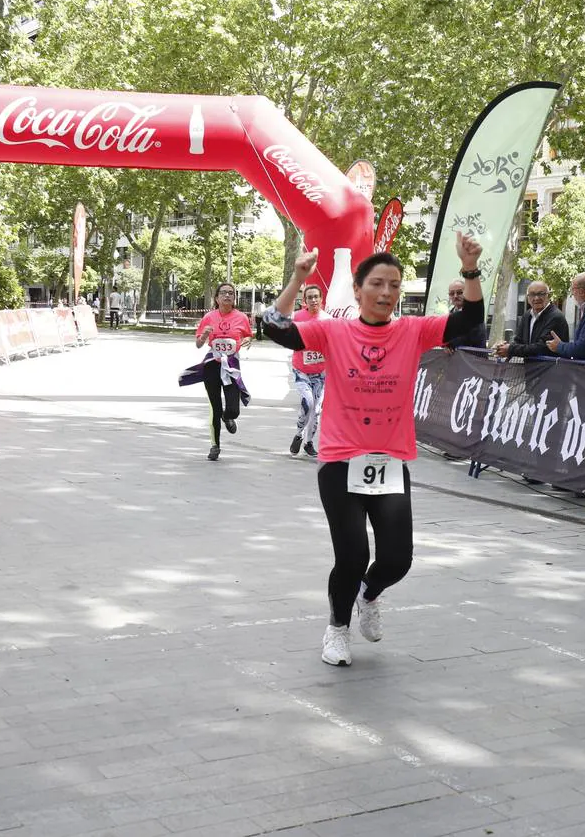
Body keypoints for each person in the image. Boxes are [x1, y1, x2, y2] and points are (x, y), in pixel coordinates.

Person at [263, 233, 485, 667]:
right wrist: (297, 278)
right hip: (341, 460)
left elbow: (470, 321)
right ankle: (337, 630)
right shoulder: (332, 331)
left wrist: (470, 268)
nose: (386, 292)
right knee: (351, 556)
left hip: (389, 462)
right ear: (359, 290)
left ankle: (370, 593)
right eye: (378, 284)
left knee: (397, 559)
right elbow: (274, 328)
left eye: (394, 285)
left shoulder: (413, 331)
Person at [178, 283, 252, 461]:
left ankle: (229, 418)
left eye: (231, 293)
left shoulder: (241, 317)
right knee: (215, 407)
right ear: (217, 298)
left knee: (233, 409)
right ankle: (215, 445)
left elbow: (248, 335)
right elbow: (198, 344)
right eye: (223, 293)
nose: (227, 296)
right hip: (212, 365)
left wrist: (247, 341)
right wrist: (204, 336)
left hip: (232, 366)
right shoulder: (209, 317)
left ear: (234, 298)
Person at [289, 284, 327, 457]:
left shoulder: (328, 319)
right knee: (308, 402)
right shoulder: (297, 317)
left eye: (316, 297)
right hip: (301, 370)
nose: (313, 300)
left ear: (321, 299)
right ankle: (298, 434)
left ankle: (309, 442)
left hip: (321, 373)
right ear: (304, 301)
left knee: (317, 410)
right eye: (309, 297)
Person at [492, 280, 568, 360]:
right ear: (528, 298)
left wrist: (510, 349)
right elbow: (519, 340)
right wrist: (503, 347)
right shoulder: (527, 315)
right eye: (532, 294)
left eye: (541, 294)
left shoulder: (556, 317)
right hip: (530, 369)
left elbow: (542, 347)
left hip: (550, 369)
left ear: (548, 296)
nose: (536, 298)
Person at [444, 279, 488, 349]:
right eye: (452, 293)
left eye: (459, 292)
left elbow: (473, 337)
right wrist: (445, 345)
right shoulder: (448, 316)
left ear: (467, 293)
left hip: (474, 357)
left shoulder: (475, 313)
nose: (455, 296)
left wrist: (450, 344)